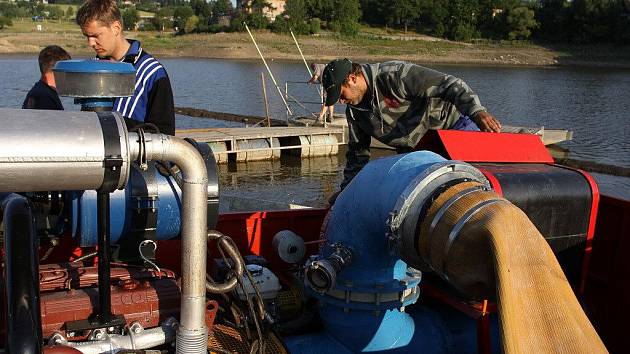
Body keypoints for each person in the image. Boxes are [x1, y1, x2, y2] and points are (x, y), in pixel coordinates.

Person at [322, 58, 502, 196]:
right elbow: (357, 154)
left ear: (352, 78)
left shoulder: (394, 76)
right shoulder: (354, 112)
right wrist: (347, 192)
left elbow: (450, 84)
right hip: (415, 150)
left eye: (341, 93)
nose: (340, 101)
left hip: (452, 128)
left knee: (471, 186)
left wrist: (477, 111)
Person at [76, 0, 175, 135]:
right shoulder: (92, 68)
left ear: (116, 28)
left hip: (135, 155)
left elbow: (165, 133)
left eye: (95, 35)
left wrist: (110, 122)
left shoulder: (152, 72)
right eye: (86, 36)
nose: (90, 43)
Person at [22, 45, 71, 110]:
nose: (70, 76)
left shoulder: (39, 91)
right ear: (59, 71)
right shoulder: (44, 97)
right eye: (68, 71)